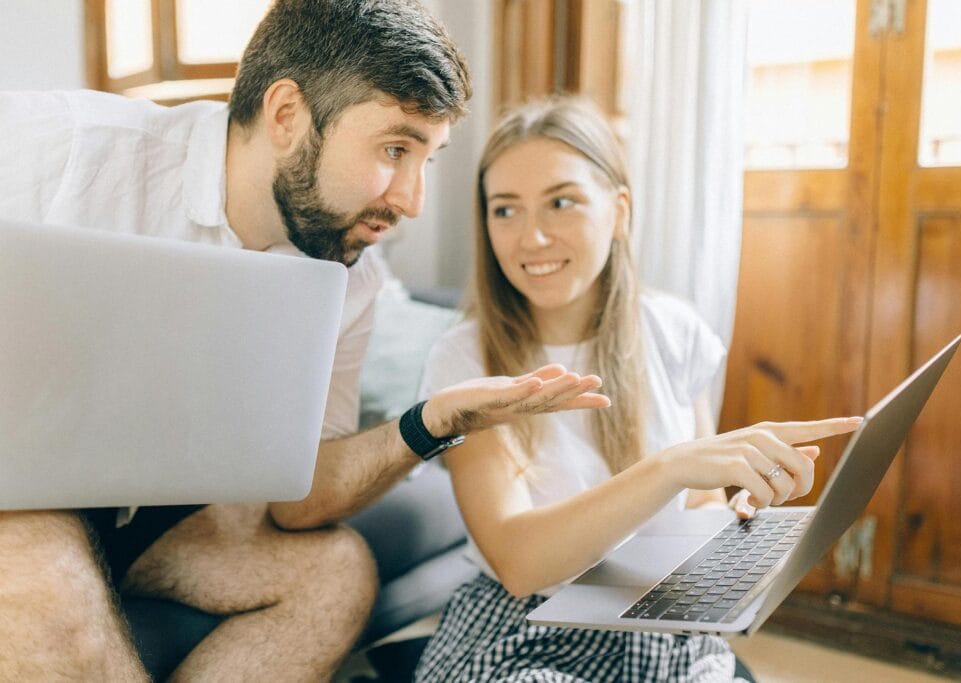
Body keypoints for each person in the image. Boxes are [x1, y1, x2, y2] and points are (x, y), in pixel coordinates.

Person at [0, 2, 610, 680]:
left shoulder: (351, 276)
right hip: (17, 494)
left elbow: (299, 496)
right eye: (395, 149)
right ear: (288, 114)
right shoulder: (63, 148)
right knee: (50, 584)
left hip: (143, 511)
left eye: (427, 159)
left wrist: (431, 420)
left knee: (337, 573)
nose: (412, 200)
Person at [413, 97, 862, 682]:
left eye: (562, 202)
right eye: (505, 211)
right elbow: (519, 563)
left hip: (657, 616)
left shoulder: (674, 332)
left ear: (619, 211)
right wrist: (669, 470)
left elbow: (697, 502)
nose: (533, 237)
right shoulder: (464, 361)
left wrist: (740, 522)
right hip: (526, 628)